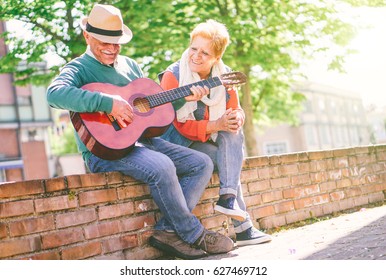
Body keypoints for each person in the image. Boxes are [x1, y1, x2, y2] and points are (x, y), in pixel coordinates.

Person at [46, 4, 234, 259]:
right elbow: (54, 93)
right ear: (87, 36)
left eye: (117, 43)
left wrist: (186, 98)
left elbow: (156, 112)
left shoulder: (131, 66)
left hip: (143, 142)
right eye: (105, 43)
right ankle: (195, 235)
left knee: (201, 162)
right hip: (106, 150)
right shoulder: (78, 69)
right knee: (162, 166)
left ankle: (168, 231)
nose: (112, 49)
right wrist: (107, 102)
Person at [159, 19, 272, 246]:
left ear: (216, 58)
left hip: (206, 139)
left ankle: (228, 197)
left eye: (205, 53)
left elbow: (235, 109)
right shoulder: (173, 76)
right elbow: (180, 126)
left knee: (233, 132)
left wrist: (236, 118)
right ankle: (244, 227)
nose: (196, 56)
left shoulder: (224, 75)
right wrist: (216, 125)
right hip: (177, 142)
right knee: (227, 156)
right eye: (194, 49)